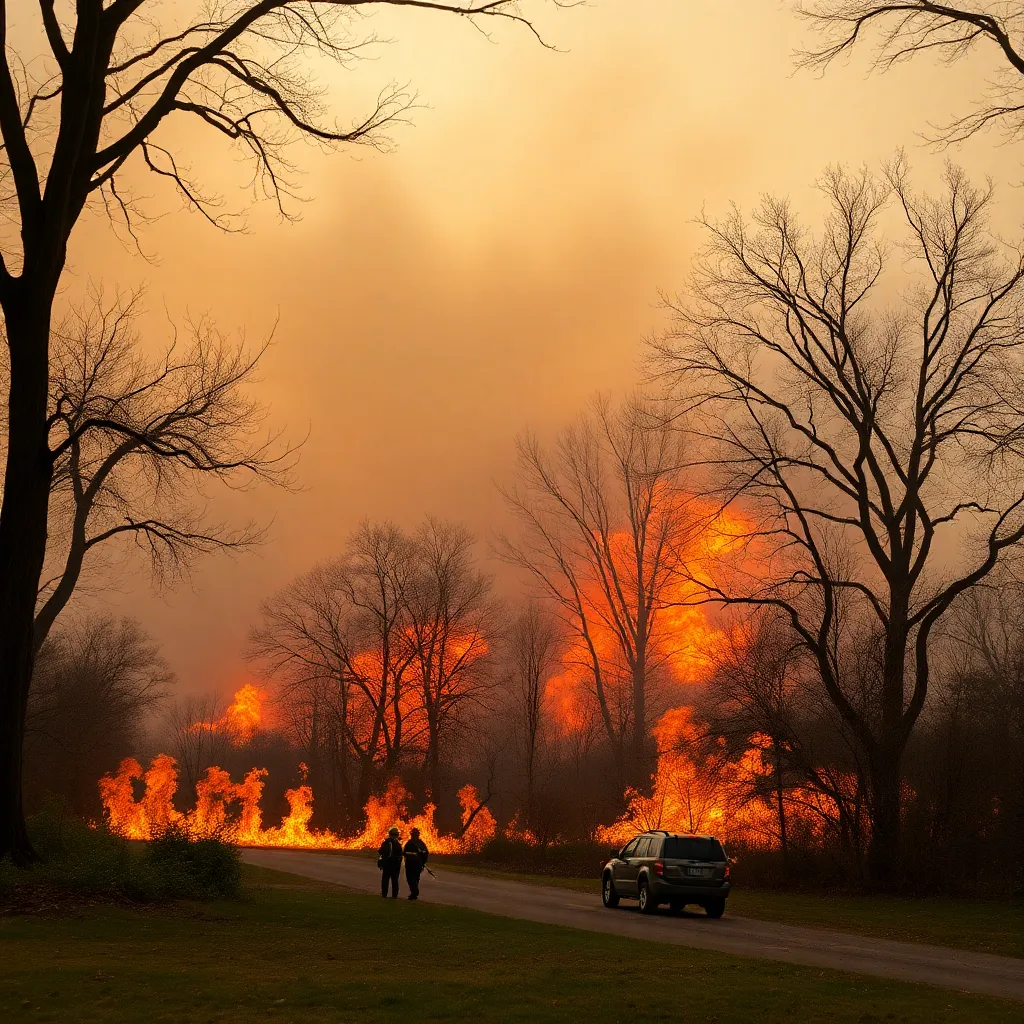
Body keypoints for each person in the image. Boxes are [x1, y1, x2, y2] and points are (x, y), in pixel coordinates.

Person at [403, 826, 430, 900]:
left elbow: (404, 853)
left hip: (410, 865)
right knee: (416, 879)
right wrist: (423, 863)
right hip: (418, 865)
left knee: (411, 879)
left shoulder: (409, 843)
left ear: (412, 834)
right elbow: (426, 853)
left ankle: (415, 892)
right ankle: (414, 894)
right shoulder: (421, 844)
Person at [378, 826, 403, 898]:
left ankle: (384, 895)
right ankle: (394, 896)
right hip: (395, 865)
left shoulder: (386, 842)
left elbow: (380, 851)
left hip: (387, 864)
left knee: (385, 880)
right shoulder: (398, 844)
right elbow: (400, 854)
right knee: (395, 881)